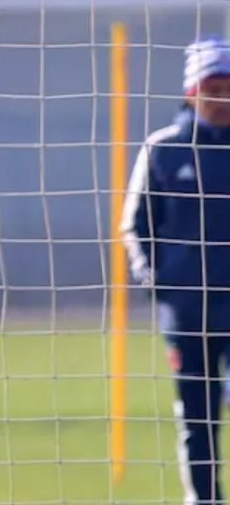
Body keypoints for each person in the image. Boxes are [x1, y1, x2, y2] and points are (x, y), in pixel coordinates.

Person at [121, 36, 230, 505]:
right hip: (187, 315)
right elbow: (135, 224)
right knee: (197, 417)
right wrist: (157, 281)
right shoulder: (163, 149)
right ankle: (203, 499)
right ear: (192, 91)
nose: (222, 98)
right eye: (213, 87)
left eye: (229, 87)